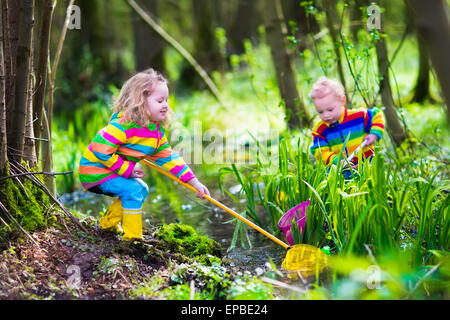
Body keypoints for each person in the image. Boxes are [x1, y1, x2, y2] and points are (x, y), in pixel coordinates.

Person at [78, 68, 210, 241]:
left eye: (166, 100)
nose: (165, 105)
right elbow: (100, 150)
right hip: (94, 171)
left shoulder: (154, 135)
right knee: (134, 189)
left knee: (141, 189)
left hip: (110, 172)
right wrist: (127, 169)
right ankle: (132, 239)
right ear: (140, 101)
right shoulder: (122, 125)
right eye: (160, 100)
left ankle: (106, 225)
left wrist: (195, 183)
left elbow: (171, 160)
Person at [309, 76, 385, 177]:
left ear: (342, 101)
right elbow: (321, 152)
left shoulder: (358, 117)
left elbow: (377, 114)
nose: (326, 115)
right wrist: (336, 161)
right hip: (340, 171)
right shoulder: (320, 130)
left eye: (330, 110)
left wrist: (374, 134)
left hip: (366, 166)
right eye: (320, 111)